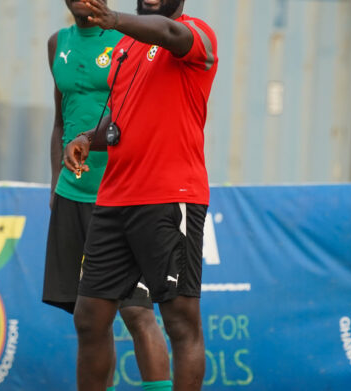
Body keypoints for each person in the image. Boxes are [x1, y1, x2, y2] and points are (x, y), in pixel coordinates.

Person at [63, 0, 218, 389]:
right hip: (115, 198)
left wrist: (115, 21)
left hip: (169, 197)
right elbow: (119, 122)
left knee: (180, 321)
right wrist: (85, 139)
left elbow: (168, 33)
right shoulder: (124, 48)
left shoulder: (195, 33)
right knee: (89, 316)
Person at [42, 1, 171, 390]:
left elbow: (142, 114)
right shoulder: (56, 43)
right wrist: (54, 183)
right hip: (72, 194)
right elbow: (60, 119)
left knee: (137, 313)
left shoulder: (127, 38)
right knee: (89, 318)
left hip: (121, 195)